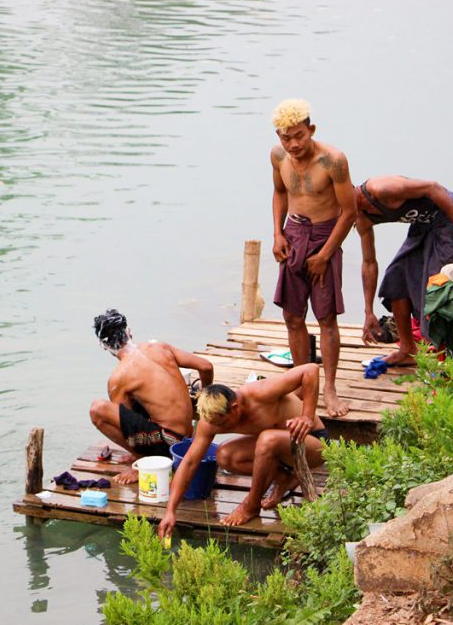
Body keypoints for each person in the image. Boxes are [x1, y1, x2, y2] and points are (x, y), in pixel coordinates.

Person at [157, 363, 326, 537]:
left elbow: (310, 370)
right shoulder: (210, 422)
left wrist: (306, 416)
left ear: (235, 409)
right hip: (279, 450)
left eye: (222, 424)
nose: (218, 428)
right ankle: (284, 479)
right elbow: (190, 462)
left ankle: (251, 506)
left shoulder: (260, 393)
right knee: (224, 456)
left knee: (267, 439)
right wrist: (171, 510)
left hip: (313, 444)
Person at [270, 98, 357, 418]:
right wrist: (278, 234)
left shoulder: (333, 161)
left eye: (298, 136)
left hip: (325, 236)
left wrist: (325, 254)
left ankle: (329, 388)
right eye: (285, 136)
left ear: (311, 130)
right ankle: (299, 381)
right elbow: (280, 193)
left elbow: (350, 212)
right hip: (294, 234)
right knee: (293, 316)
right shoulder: (277, 156)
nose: (292, 144)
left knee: (326, 318)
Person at [355, 176, 453, 365]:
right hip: (423, 225)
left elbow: (433, 187)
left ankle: (449, 358)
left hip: (451, 217)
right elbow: (369, 262)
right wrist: (368, 312)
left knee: (442, 288)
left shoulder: (380, 189)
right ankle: (407, 349)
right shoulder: (360, 218)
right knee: (397, 277)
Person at [89, 309, 214, 484]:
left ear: (103, 345)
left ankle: (144, 462)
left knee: (98, 410)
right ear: (129, 331)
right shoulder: (158, 346)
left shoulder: (118, 378)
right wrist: (205, 398)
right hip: (187, 435)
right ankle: (145, 454)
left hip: (169, 441)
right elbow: (206, 366)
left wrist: (136, 455)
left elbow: (126, 428)